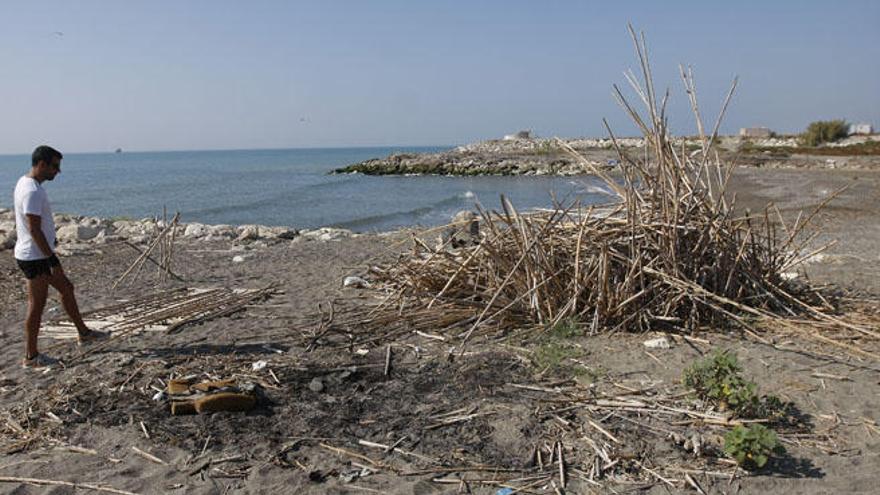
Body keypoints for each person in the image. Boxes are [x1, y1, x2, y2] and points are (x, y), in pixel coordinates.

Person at [13, 145, 107, 368]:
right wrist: (52, 259)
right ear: (42, 164)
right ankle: (31, 357)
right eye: (55, 166)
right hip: (35, 257)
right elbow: (34, 229)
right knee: (36, 304)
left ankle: (83, 333)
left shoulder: (26, 183)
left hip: (37, 254)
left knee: (66, 288)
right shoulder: (32, 191)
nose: (58, 171)